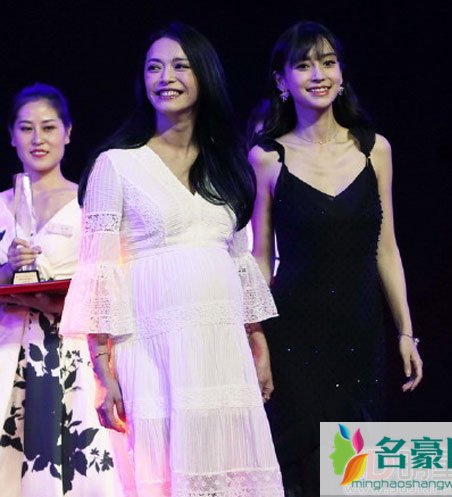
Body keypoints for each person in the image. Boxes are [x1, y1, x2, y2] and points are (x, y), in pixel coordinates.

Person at [59, 22, 284, 497]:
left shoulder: (226, 164)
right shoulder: (116, 164)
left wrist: (257, 338)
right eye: (154, 67)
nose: (166, 77)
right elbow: (99, 274)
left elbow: (238, 261)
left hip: (222, 351)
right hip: (152, 352)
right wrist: (102, 371)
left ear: (204, 75)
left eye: (180, 66)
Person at [248, 21, 423, 496]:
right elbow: (260, 258)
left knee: (353, 468)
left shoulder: (374, 150)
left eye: (327, 62)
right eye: (303, 65)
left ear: (342, 74)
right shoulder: (267, 158)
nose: (318, 74)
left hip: (358, 333)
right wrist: (255, 335)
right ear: (282, 81)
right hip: (293, 334)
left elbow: (387, 248)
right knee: (301, 462)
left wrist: (405, 331)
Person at [0, 84, 129, 496]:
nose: (37, 139)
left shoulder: (88, 204)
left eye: (49, 127)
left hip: (71, 352)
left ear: (68, 132)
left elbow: (110, 283)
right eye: (26, 128)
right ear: (11, 135)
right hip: (6, 348)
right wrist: (8, 270)